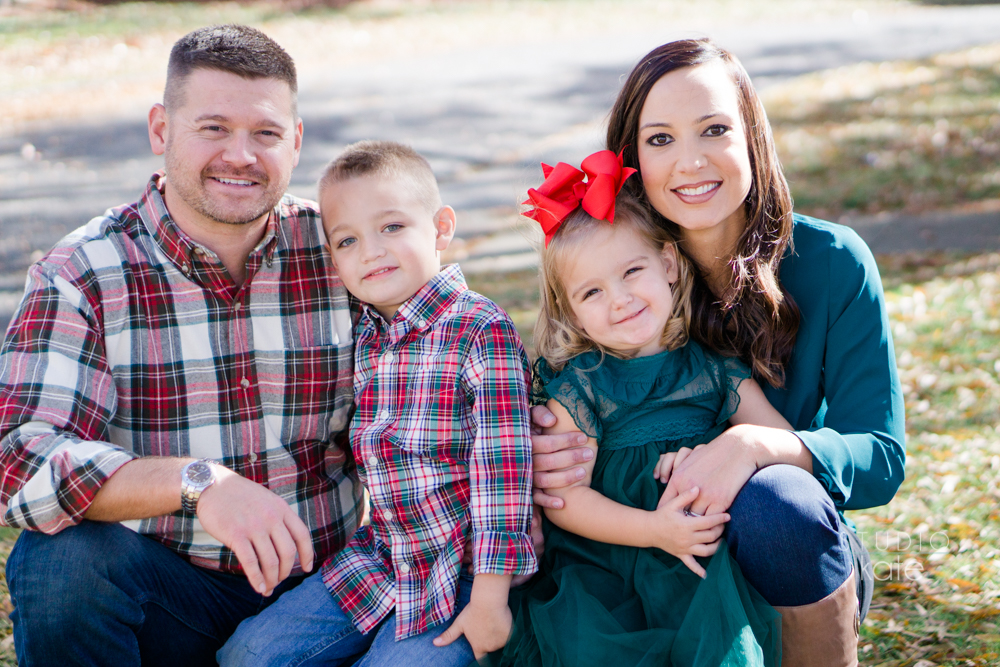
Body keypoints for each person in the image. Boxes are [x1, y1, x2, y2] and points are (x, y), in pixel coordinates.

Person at [530, 39, 905, 666]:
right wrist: (543, 447)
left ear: (750, 136)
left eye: (713, 129)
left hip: (781, 549)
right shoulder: (620, 281)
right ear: (630, 158)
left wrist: (755, 445)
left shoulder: (833, 262)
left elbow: (882, 458)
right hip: (625, 562)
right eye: (660, 140)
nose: (690, 162)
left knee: (777, 501)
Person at [0, 25, 361, 666]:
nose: (241, 156)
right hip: (170, 594)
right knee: (61, 561)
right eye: (214, 128)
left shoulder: (348, 250)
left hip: (328, 592)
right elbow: (24, 465)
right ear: (162, 130)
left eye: (266, 134)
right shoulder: (86, 271)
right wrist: (200, 483)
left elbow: (450, 358)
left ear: (297, 142)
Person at [218, 140, 537, 667]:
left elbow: (503, 471)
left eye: (392, 227)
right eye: (347, 241)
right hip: (380, 560)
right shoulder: (366, 336)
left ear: (441, 228)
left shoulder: (480, 330)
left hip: (466, 572)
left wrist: (490, 600)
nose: (371, 252)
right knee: (246, 656)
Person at [487, 150, 785, 666]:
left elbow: (779, 443)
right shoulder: (580, 387)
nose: (620, 299)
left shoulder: (715, 370)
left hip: (698, 558)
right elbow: (565, 500)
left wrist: (711, 454)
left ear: (668, 263)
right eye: (593, 291)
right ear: (572, 312)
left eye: (631, 271)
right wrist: (652, 530)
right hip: (605, 569)